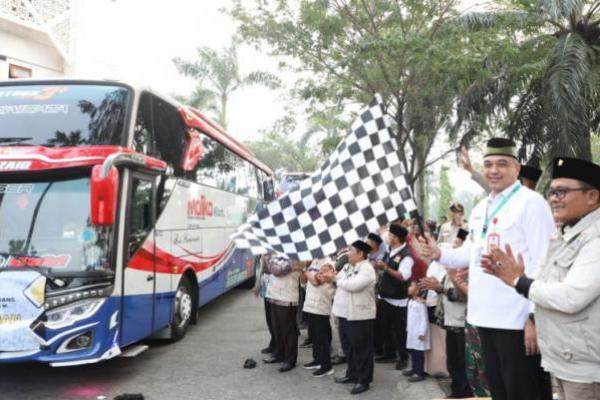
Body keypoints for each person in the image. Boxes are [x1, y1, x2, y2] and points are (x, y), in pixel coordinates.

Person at [419, 137, 555, 400]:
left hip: (517, 320)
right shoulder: (482, 207)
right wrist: (439, 253)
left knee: (525, 391)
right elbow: (470, 253)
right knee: (500, 392)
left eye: (502, 164)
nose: (493, 170)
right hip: (485, 316)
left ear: (516, 168)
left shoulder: (532, 203)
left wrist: (534, 318)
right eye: (489, 164)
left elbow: (544, 263)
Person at [482, 157, 600, 400]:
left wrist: (519, 281)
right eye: (552, 192)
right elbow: (544, 281)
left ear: (592, 197)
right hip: (567, 360)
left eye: (563, 191)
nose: (554, 198)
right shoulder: (564, 235)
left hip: (587, 369)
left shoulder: (595, 240)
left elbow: (571, 297)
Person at [321, 240, 377, 395]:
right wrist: (330, 279)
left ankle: (363, 380)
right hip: (343, 313)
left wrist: (335, 280)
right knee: (348, 347)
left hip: (360, 315)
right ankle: (352, 374)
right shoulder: (347, 266)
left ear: (360, 253)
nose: (348, 253)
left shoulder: (367, 269)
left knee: (362, 349)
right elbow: (337, 281)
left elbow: (354, 286)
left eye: (351, 250)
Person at [374, 224, 413, 370]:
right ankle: (389, 353)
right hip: (385, 296)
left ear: (396, 238)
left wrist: (386, 268)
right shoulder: (390, 251)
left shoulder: (406, 256)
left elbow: (403, 276)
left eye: (390, 235)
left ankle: (403, 357)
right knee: (386, 327)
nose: (388, 238)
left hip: (398, 299)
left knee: (399, 330)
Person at [262, 255, 303, 372]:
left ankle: (290, 360)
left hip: (287, 298)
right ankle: (279, 353)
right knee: (277, 328)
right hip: (273, 295)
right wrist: (269, 261)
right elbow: (267, 269)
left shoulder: (295, 255)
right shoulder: (277, 254)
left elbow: (277, 271)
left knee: (288, 330)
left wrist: (270, 262)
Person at [301, 257, 336, 378]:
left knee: (322, 336)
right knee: (314, 335)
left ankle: (327, 366)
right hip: (310, 302)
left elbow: (317, 281)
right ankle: (317, 360)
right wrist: (303, 268)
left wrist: (303, 269)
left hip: (321, 303)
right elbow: (304, 281)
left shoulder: (328, 264)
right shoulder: (314, 261)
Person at [404, 281, 431, 382]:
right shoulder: (411, 301)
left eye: (411, 286)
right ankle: (414, 369)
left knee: (418, 353)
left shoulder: (420, 304)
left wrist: (421, 332)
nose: (408, 288)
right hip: (411, 331)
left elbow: (424, 319)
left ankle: (419, 372)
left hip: (418, 333)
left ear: (417, 291)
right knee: (412, 351)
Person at [255, 255, 275, 354]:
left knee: (275, 319)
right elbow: (261, 270)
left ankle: (277, 345)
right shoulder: (264, 254)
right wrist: (257, 286)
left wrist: (266, 259)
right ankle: (274, 342)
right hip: (266, 287)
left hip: (276, 290)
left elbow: (276, 270)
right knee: (269, 319)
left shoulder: (276, 254)